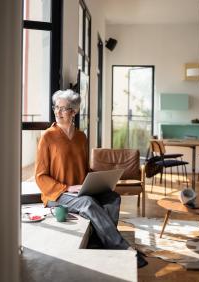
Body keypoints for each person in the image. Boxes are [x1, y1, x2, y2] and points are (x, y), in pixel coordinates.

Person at [35, 89, 147, 268]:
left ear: (74, 111)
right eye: (56, 107)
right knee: (88, 202)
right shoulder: (47, 137)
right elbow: (40, 176)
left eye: (62, 108)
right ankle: (122, 249)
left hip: (80, 191)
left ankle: (99, 243)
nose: (57, 112)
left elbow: (83, 168)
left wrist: (97, 181)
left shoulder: (81, 137)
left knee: (113, 197)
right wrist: (66, 187)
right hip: (56, 194)